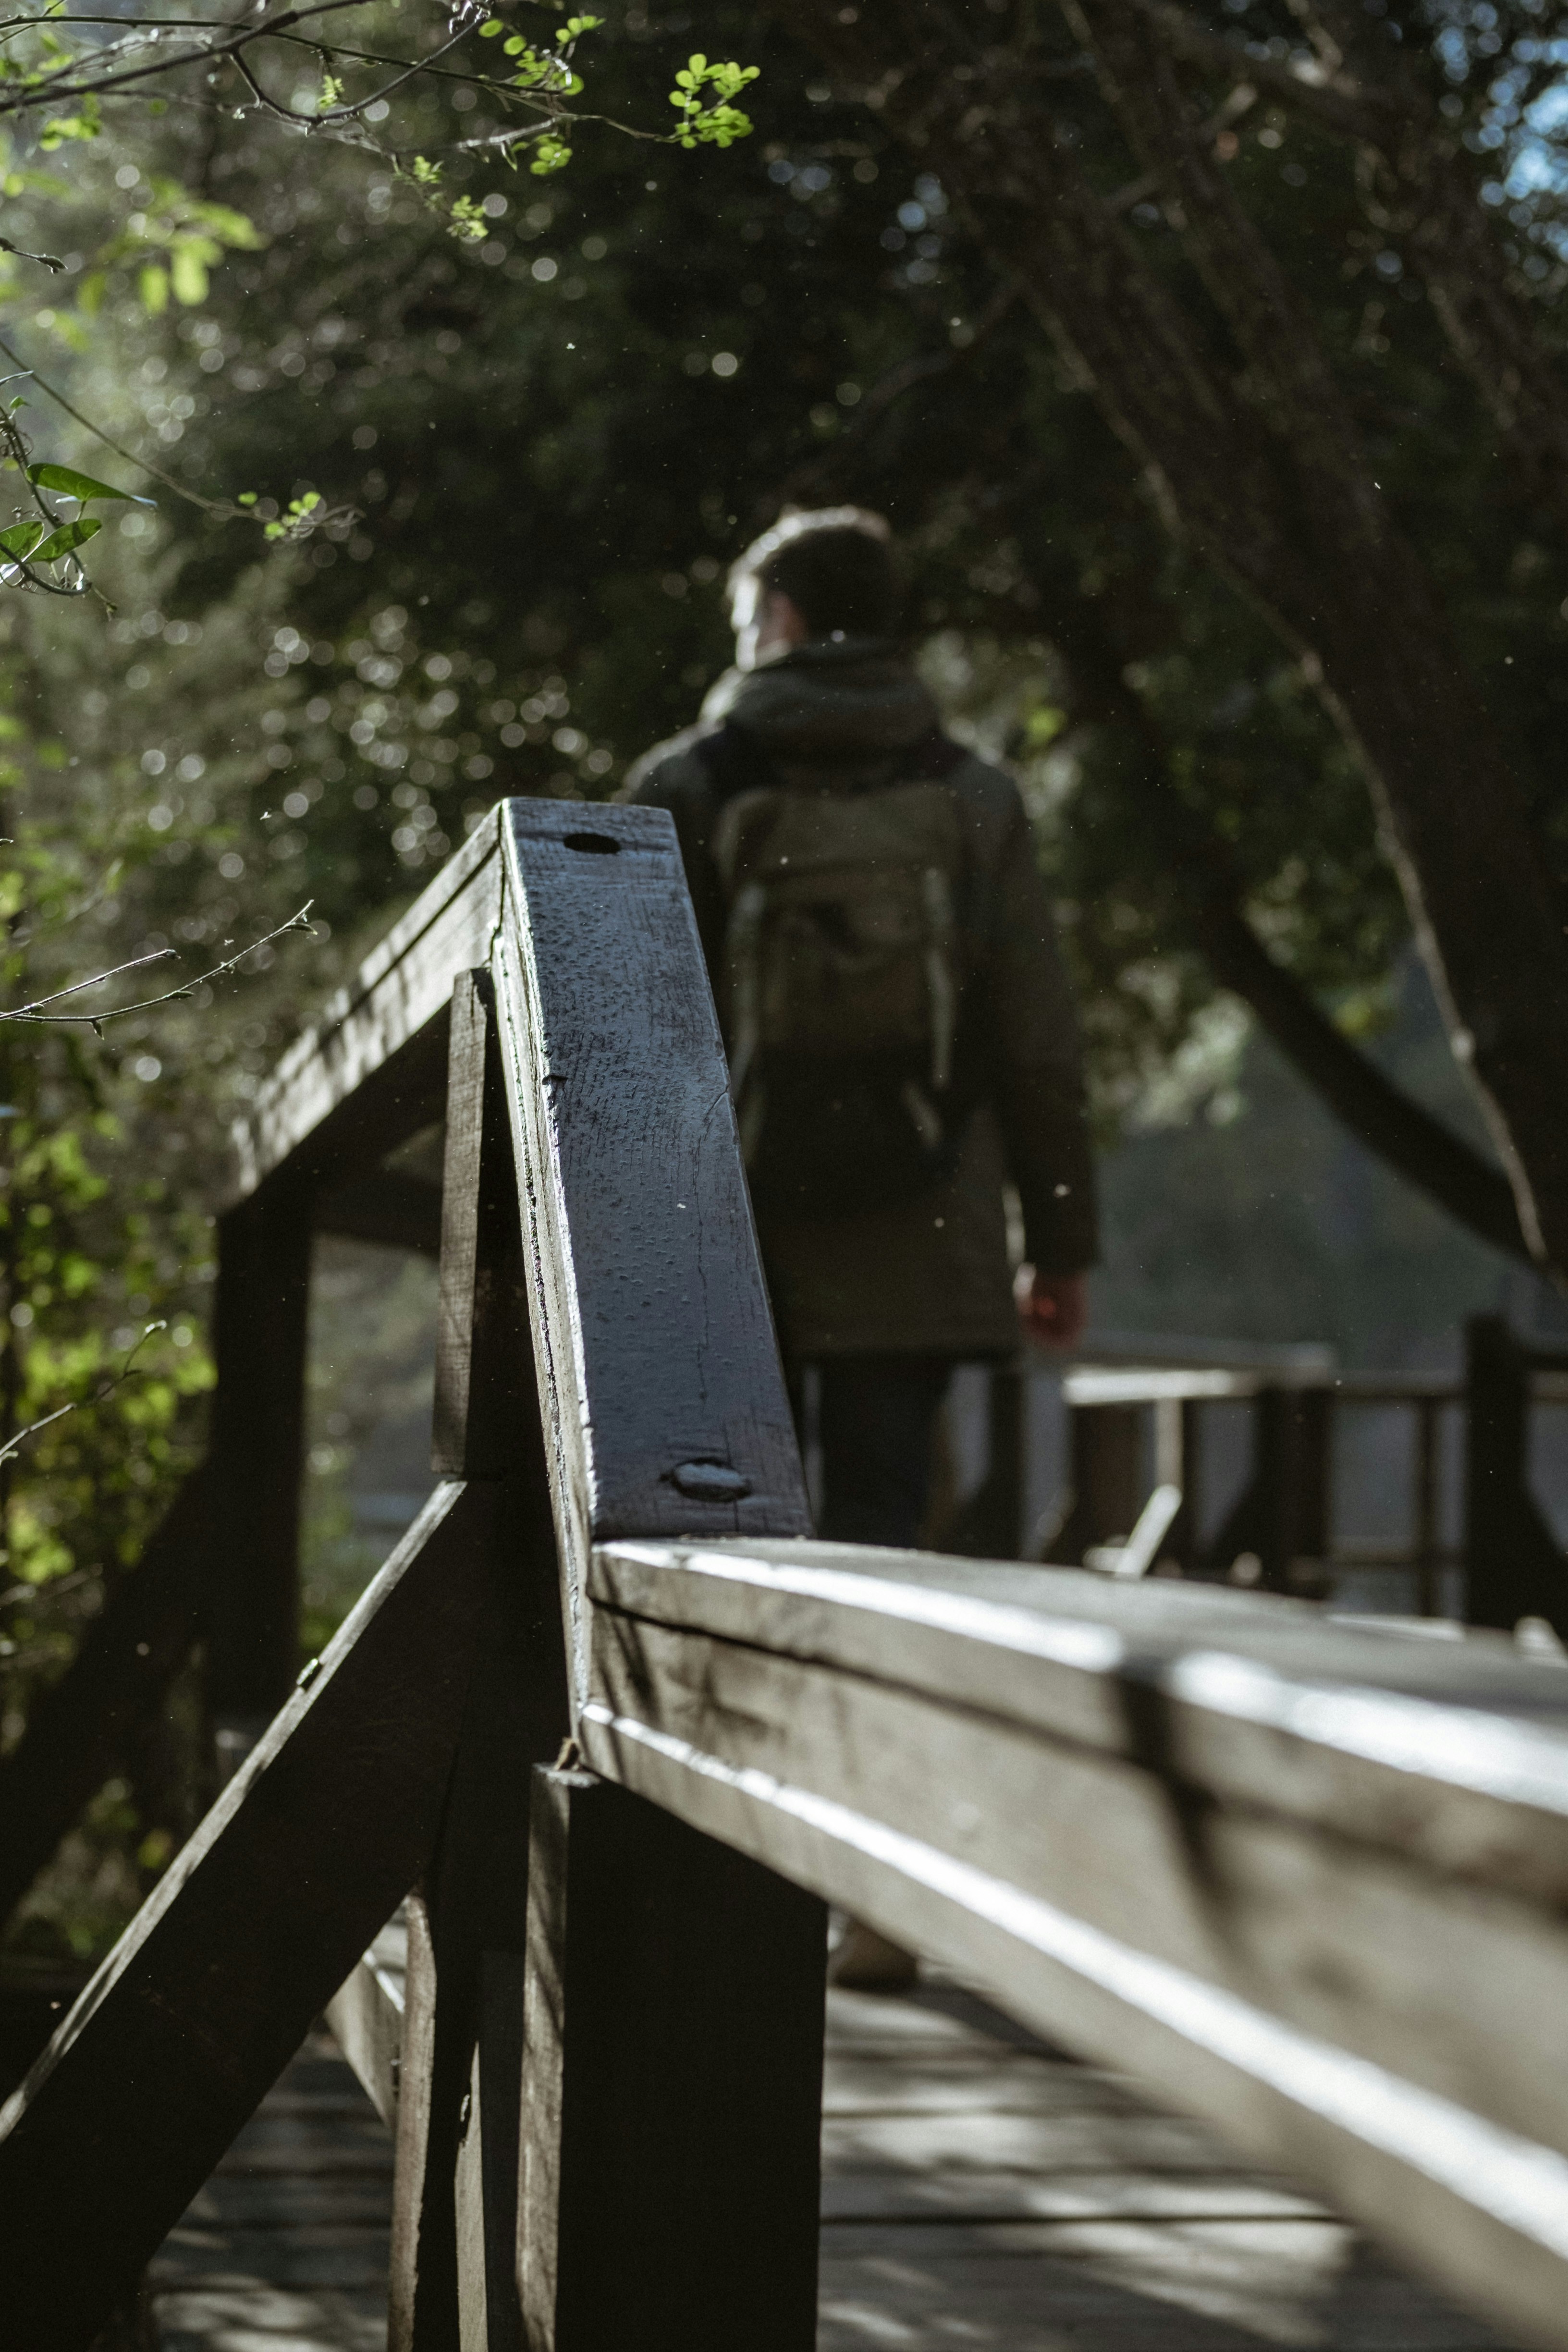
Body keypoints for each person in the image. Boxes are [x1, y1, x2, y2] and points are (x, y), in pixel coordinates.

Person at [627, 507, 1098, 1982]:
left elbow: (629, 1032)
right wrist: (1058, 1237)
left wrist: (626, 1237)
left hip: (727, 1229)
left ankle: (711, 1864)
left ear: (774, 617)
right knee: (889, 1541)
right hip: (924, 1219)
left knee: (716, 1532)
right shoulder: (972, 798)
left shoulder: (687, 788)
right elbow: (1035, 1039)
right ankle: (880, 1907)